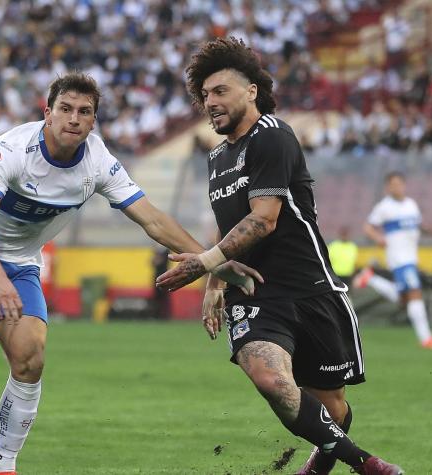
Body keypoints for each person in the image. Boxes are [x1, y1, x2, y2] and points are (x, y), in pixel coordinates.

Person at [0, 72, 261, 475]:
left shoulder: (97, 163)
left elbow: (154, 220)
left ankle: (3, 467)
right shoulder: (12, 149)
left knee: (30, 359)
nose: (74, 118)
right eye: (65, 109)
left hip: (20, 262)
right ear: (48, 113)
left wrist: (213, 259)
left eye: (84, 112)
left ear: (93, 122)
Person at [156, 37, 403, 475]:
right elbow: (229, 220)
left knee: (333, 408)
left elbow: (263, 219)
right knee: (270, 379)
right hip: (255, 293)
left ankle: (319, 467)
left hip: (311, 289)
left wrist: (205, 263)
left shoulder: (272, 136)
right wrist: (216, 283)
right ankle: (368, 465)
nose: (210, 102)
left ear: (251, 90)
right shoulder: (217, 157)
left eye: (220, 91)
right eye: (205, 95)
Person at [354, 172, 432, 349]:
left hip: (411, 256)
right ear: (387, 187)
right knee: (415, 294)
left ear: (404, 185)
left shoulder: (411, 204)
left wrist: (429, 231)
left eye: (399, 184)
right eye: (392, 184)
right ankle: (427, 339)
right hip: (399, 257)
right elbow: (367, 227)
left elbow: (417, 226)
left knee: (404, 300)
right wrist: (378, 238)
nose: (396, 187)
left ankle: (371, 278)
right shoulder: (384, 207)